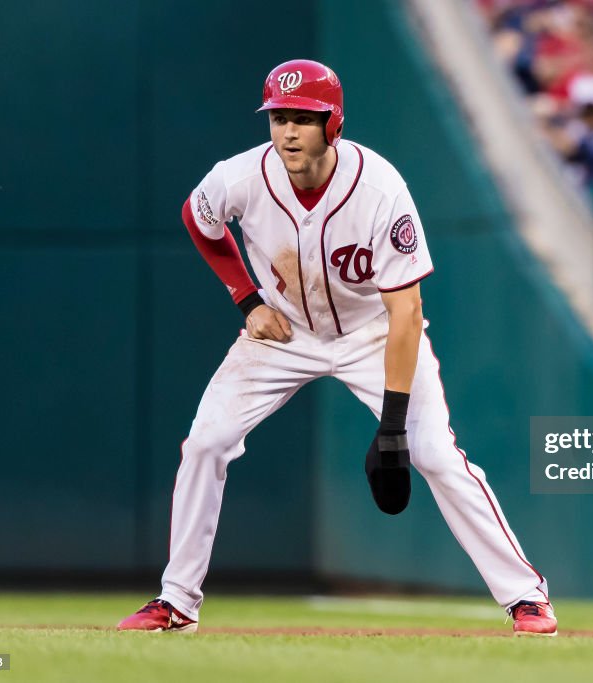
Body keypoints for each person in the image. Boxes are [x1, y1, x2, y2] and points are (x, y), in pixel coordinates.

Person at [116, 60, 555, 637]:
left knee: (434, 454)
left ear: (334, 123)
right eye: (279, 117)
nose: (289, 131)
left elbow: (406, 313)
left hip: (372, 333)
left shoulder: (378, 189)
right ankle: (176, 602)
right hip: (285, 333)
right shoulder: (240, 177)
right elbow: (198, 219)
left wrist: (393, 427)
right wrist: (247, 300)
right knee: (205, 443)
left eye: (304, 117)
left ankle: (526, 597)